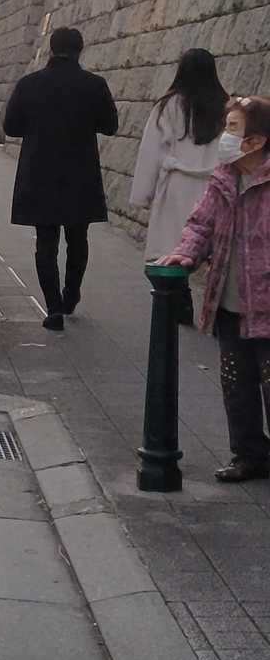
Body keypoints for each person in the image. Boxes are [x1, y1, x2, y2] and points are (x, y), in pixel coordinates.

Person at [168, 96, 270, 483]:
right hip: (229, 301)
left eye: (232, 129)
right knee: (235, 382)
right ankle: (248, 454)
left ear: (255, 141)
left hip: (266, 303)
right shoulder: (224, 177)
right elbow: (201, 224)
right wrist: (185, 253)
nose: (224, 137)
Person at [3, 26, 119, 331]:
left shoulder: (29, 84)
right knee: (78, 238)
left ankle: (53, 308)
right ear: (80, 50)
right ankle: (71, 295)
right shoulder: (94, 85)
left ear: (51, 49)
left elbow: (11, 127)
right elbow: (110, 125)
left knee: (46, 242)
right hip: (80, 173)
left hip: (40, 172)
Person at [130, 48, 228, 326]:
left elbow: (151, 152)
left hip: (177, 185)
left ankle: (180, 300)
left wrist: (143, 194)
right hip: (214, 186)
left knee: (173, 248)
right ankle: (217, 309)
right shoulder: (225, 105)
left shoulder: (168, 106)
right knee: (214, 250)